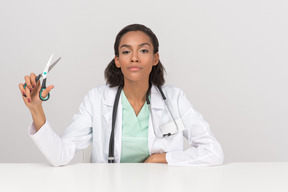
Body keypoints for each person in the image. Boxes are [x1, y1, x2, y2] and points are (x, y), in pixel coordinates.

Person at [19, 24, 224, 166]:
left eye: (143, 51)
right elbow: (60, 156)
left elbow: (213, 152)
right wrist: (36, 109)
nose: (134, 58)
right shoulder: (96, 99)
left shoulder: (175, 99)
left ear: (155, 58)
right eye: (126, 52)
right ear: (117, 60)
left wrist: (164, 159)